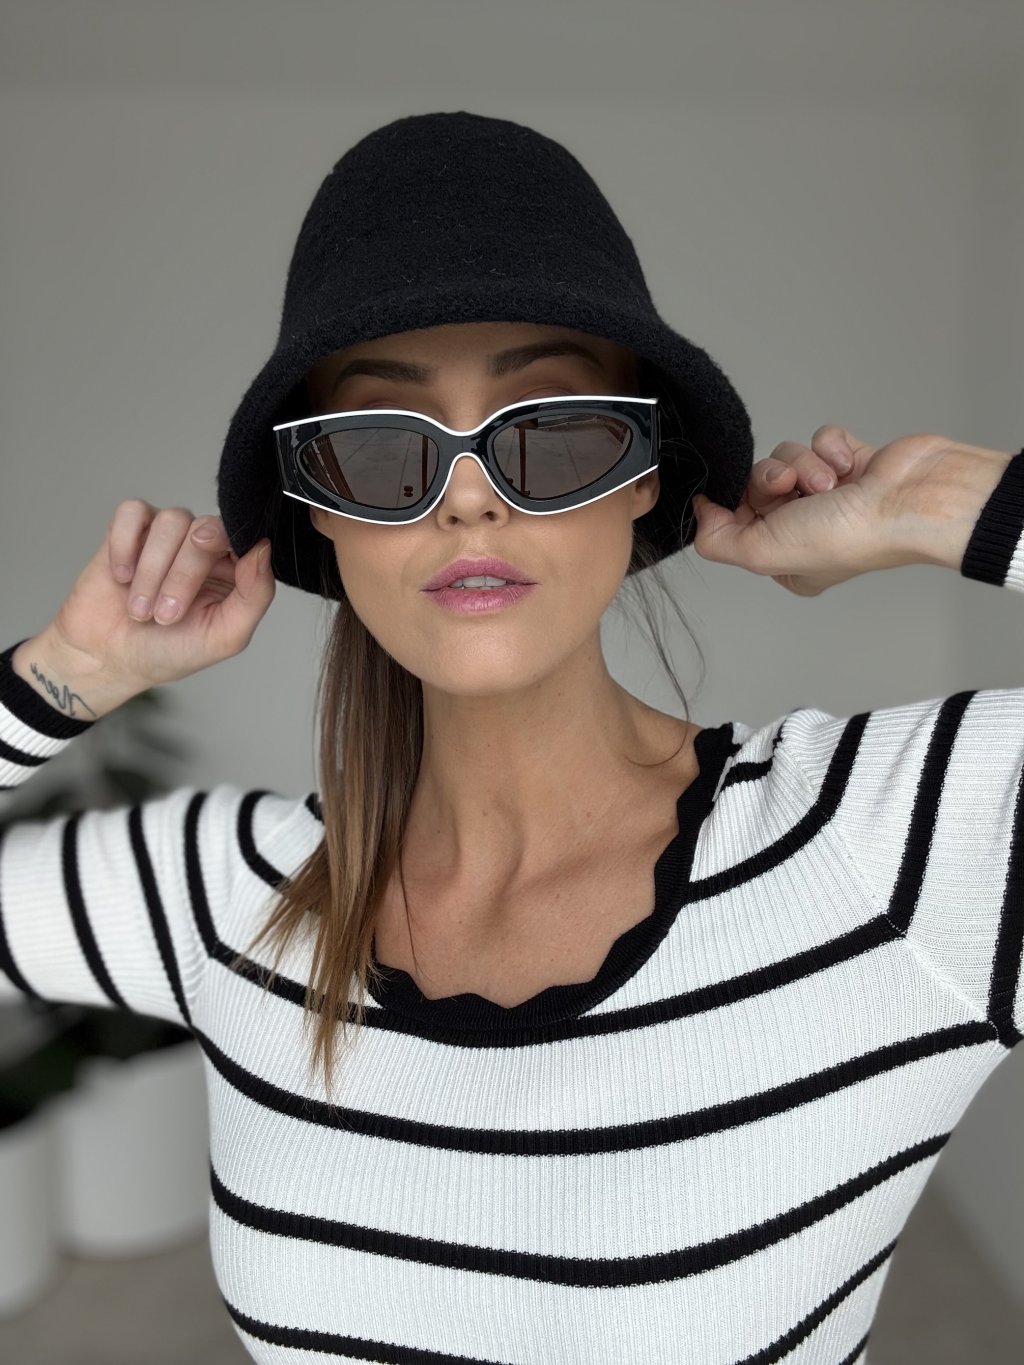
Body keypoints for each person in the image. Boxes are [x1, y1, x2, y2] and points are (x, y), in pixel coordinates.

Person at [0, 110, 1021, 1364]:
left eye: (555, 426)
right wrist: (61, 678)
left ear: (643, 470)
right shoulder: (223, 903)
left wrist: (952, 506)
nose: (469, 498)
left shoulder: (895, 849)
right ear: (320, 509)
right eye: (382, 447)